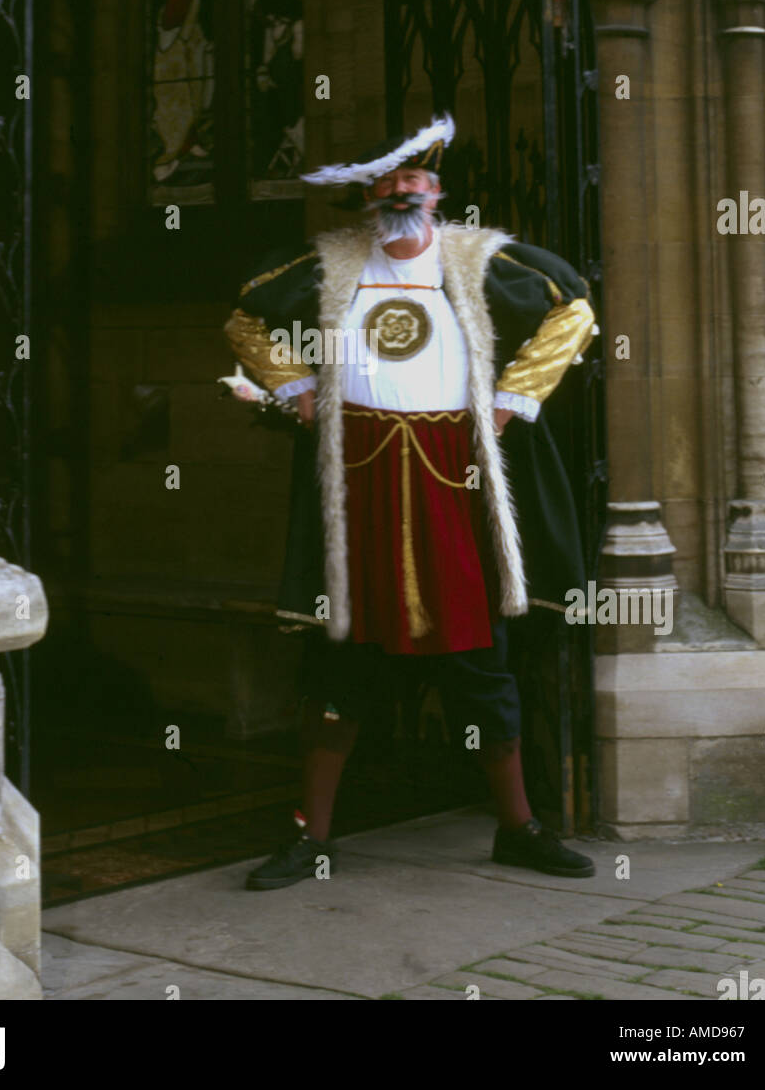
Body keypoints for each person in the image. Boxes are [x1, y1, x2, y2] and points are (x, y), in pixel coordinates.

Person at [223, 113, 599, 889]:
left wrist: (509, 403)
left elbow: (574, 313)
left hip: (451, 476)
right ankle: (311, 837)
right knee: (341, 661)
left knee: (480, 661)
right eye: (388, 182)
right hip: (356, 476)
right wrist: (295, 390)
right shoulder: (327, 264)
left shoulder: (481, 259)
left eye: (414, 180)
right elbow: (244, 319)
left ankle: (518, 828)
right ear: (367, 198)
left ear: (436, 192)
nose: (401, 192)